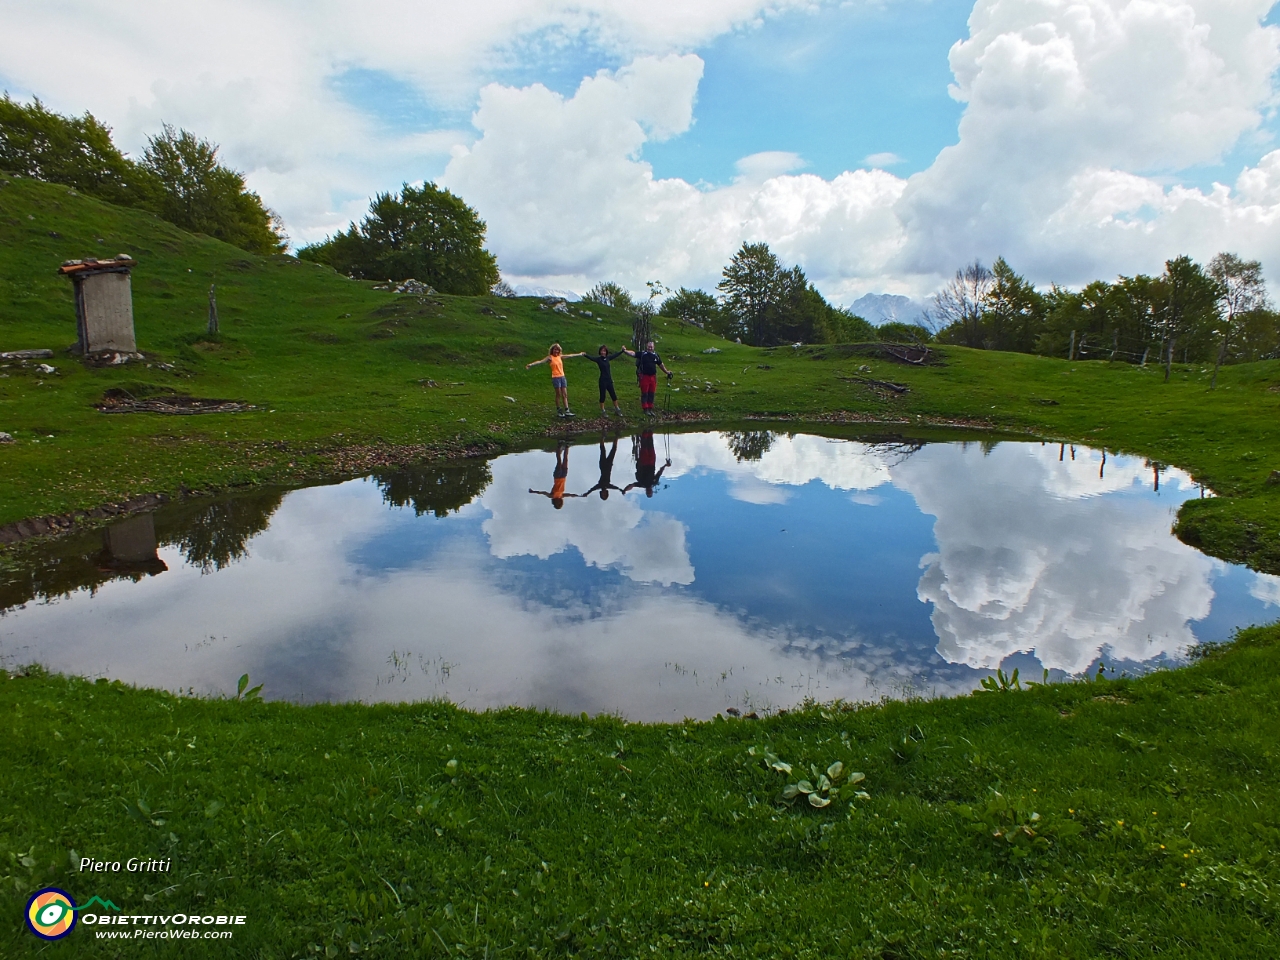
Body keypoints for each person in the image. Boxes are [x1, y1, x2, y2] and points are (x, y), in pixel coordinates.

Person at [526, 343, 584, 417]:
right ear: (552, 350)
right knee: (558, 394)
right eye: (555, 349)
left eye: (557, 350)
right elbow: (540, 361)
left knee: (565, 394)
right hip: (556, 377)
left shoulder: (560, 356)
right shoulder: (550, 357)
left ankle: (567, 410)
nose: (556, 351)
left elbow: (570, 355)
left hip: (562, 377)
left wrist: (579, 354)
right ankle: (559, 410)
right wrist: (531, 364)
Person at [580, 344, 632, 417]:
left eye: (604, 351)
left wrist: (622, 351)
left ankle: (617, 409)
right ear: (600, 352)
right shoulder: (598, 359)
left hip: (609, 380)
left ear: (606, 352)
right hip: (602, 381)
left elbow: (615, 355)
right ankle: (603, 411)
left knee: (613, 395)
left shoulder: (608, 358)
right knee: (602, 396)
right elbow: (591, 358)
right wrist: (585, 355)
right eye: (601, 351)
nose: (603, 352)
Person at [528, 440, 577, 509]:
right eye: (560, 504)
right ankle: (567, 445)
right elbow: (569, 495)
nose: (559, 502)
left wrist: (534, 491)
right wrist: (576, 495)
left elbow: (543, 493)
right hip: (563, 476)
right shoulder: (561, 496)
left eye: (558, 504)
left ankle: (559, 446)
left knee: (559, 461)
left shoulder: (551, 496)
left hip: (557, 477)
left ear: (555, 503)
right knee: (566, 459)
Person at [623, 429, 670, 498]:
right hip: (652, 463)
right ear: (652, 491)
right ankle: (650, 431)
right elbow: (659, 472)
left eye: (648, 493)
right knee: (651, 446)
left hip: (644, 463)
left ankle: (645, 432)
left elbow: (632, 485)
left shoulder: (642, 484)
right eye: (650, 492)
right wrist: (665, 465)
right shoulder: (654, 482)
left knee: (644, 447)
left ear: (645, 492)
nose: (649, 491)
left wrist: (625, 490)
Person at [633, 340, 672, 418]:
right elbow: (633, 353)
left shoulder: (656, 355)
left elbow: (661, 364)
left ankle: (650, 408)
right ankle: (645, 409)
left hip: (653, 377)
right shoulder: (643, 354)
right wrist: (624, 350)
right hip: (644, 376)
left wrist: (667, 372)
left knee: (652, 393)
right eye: (649, 346)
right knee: (645, 393)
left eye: (651, 347)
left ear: (653, 347)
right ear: (647, 347)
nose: (650, 348)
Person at [581, 429, 623, 500]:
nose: (604, 493)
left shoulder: (600, 485)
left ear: (601, 493)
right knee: (613, 450)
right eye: (605, 494)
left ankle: (603, 436)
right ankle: (616, 435)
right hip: (609, 466)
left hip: (603, 466)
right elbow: (615, 487)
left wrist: (587, 493)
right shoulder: (608, 485)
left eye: (603, 494)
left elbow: (592, 489)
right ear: (607, 493)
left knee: (603, 450)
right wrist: (621, 490)